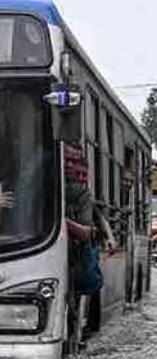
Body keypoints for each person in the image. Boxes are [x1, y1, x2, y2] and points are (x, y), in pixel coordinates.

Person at [64, 145, 113, 338]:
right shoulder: (43, 184)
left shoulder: (82, 194)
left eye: (74, 162)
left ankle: (87, 330)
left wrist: (109, 237)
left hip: (78, 256)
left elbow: (97, 219)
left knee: (88, 281)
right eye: (66, 161)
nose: (69, 166)